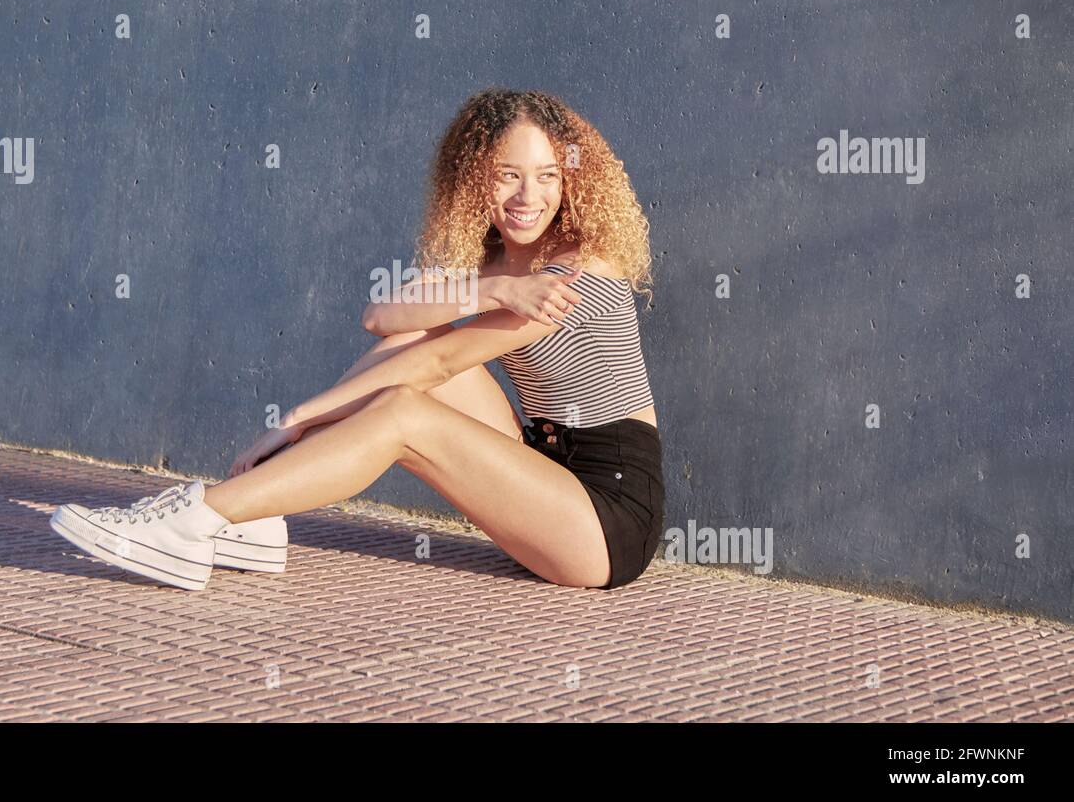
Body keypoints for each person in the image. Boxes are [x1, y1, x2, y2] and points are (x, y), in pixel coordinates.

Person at [51, 88, 664, 591]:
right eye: (507, 175)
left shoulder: (581, 270)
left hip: (606, 521)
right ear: (474, 179)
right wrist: (492, 290)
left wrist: (296, 419)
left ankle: (202, 515)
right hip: (542, 470)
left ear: (572, 180)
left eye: (546, 175)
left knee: (404, 412)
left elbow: (440, 360)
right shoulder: (497, 266)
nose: (528, 197)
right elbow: (386, 318)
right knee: (416, 336)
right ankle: (257, 516)